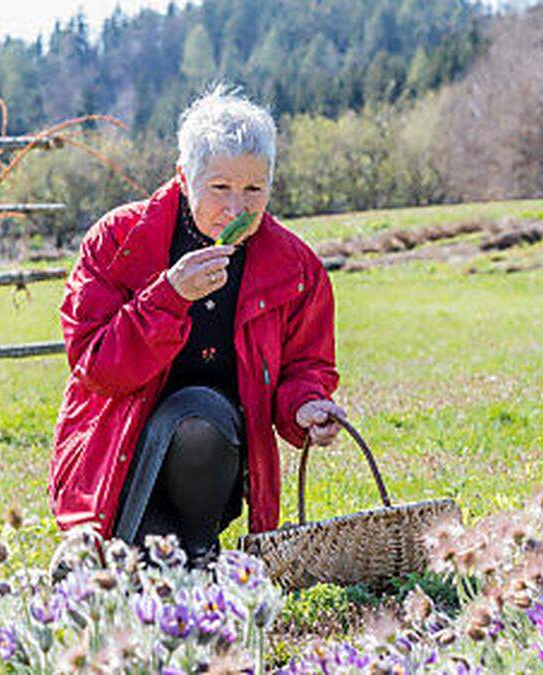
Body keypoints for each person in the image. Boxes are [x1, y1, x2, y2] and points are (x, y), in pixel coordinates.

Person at [49, 85, 344, 565]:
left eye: (255, 190)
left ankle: (186, 550)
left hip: (213, 455)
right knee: (149, 580)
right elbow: (95, 366)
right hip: (118, 451)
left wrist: (305, 406)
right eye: (220, 188)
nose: (237, 209)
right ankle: (155, 558)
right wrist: (168, 297)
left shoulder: (295, 267)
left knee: (199, 414)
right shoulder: (118, 241)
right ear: (185, 177)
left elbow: (306, 365)